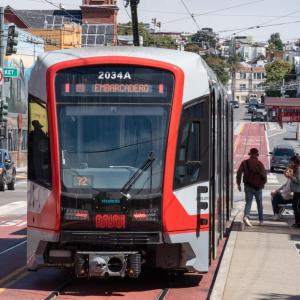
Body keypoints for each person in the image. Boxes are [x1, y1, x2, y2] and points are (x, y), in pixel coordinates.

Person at [236, 148, 267, 226]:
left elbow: (239, 173)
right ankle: (261, 220)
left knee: (248, 202)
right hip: (258, 187)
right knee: (259, 203)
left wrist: (238, 184)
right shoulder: (260, 164)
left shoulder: (244, 163)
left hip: (248, 186)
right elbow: (264, 176)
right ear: (257, 154)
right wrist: (262, 185)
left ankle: (246, 216)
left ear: (250, 154)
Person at [284, 156, 300, 228]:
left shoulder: (299, 169)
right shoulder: (295, 168)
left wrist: (291, 177)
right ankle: (297, 222)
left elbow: (298, 181)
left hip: (298, 191)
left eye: (291, 162)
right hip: (296, 191)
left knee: (295, 206)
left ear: (295, 162)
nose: (290, 163)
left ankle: (298, 222)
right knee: (296, 206)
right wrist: (287, 174)